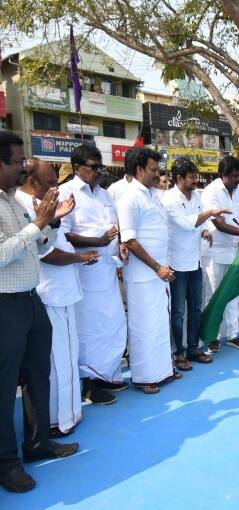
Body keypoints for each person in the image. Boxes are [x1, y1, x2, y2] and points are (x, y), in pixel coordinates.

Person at [0, 132, 79, 493]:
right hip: (6, 305)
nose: (22, 168)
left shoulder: (15, 202)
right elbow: (3, 254)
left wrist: (52, 221)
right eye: (17, 162)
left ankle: (37, 444)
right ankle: (7, 463)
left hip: (32, 300)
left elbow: (39, 245)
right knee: (5, 389)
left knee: (38, 376)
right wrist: (37, 224)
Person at [16, 160, 96, 437]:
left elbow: (52, 240)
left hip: (60, 292)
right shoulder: (24, 205)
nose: (55, 188)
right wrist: (80, 257)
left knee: (66, 356)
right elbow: (44, 253)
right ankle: (57, 421)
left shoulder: (42, 203)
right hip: (49, 293)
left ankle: (67, 415)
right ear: (31, 181)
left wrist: (57, 216)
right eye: (50, 183)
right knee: (56, 361)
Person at [59, 144, 127, 405]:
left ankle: (106, 375)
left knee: (112, 324)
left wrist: (118, 243)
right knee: (90, 329)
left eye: (101, 166)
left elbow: (114, 227)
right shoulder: (66, 193)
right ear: (78, 168)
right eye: (94, 167)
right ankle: (89, 386)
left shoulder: (104, 194)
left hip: (107, 270)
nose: (99, 171)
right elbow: (61, 233)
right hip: (84, 272)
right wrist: (96, 242)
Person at [118, 148, 177, 393]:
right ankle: (144, 377)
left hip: (159, 272)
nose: (158, 173)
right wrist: (156, 267)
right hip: (144, 275)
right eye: (153, 169)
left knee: (160, 323)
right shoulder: (130, 197)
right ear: (139, 170)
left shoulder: (152, 194)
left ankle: (162, 371)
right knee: (144, 325)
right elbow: (129, 239)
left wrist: (163, 265)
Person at [163, 158, 226, 368]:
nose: (195, 181)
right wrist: (209, 213)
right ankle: (178, 353)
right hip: (177, 264)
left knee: (196, 308)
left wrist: (206, 230)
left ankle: (193, 348)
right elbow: (186, 223)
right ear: (179, 178)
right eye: (191, 178)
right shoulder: (169, 199)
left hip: (195, 261)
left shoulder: (196, 196)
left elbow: (199, 224)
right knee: (179, 311)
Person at [201, 156, 239, 352]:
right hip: (214, 251)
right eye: (234, 176)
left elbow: (237, 219)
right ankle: (213, 337)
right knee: (214, 295)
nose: (238, 180)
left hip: (233, 249)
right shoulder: (211, 192)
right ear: (223, 175)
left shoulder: (237, 190)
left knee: (232, 295)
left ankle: (232, 335)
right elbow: (218, 224)